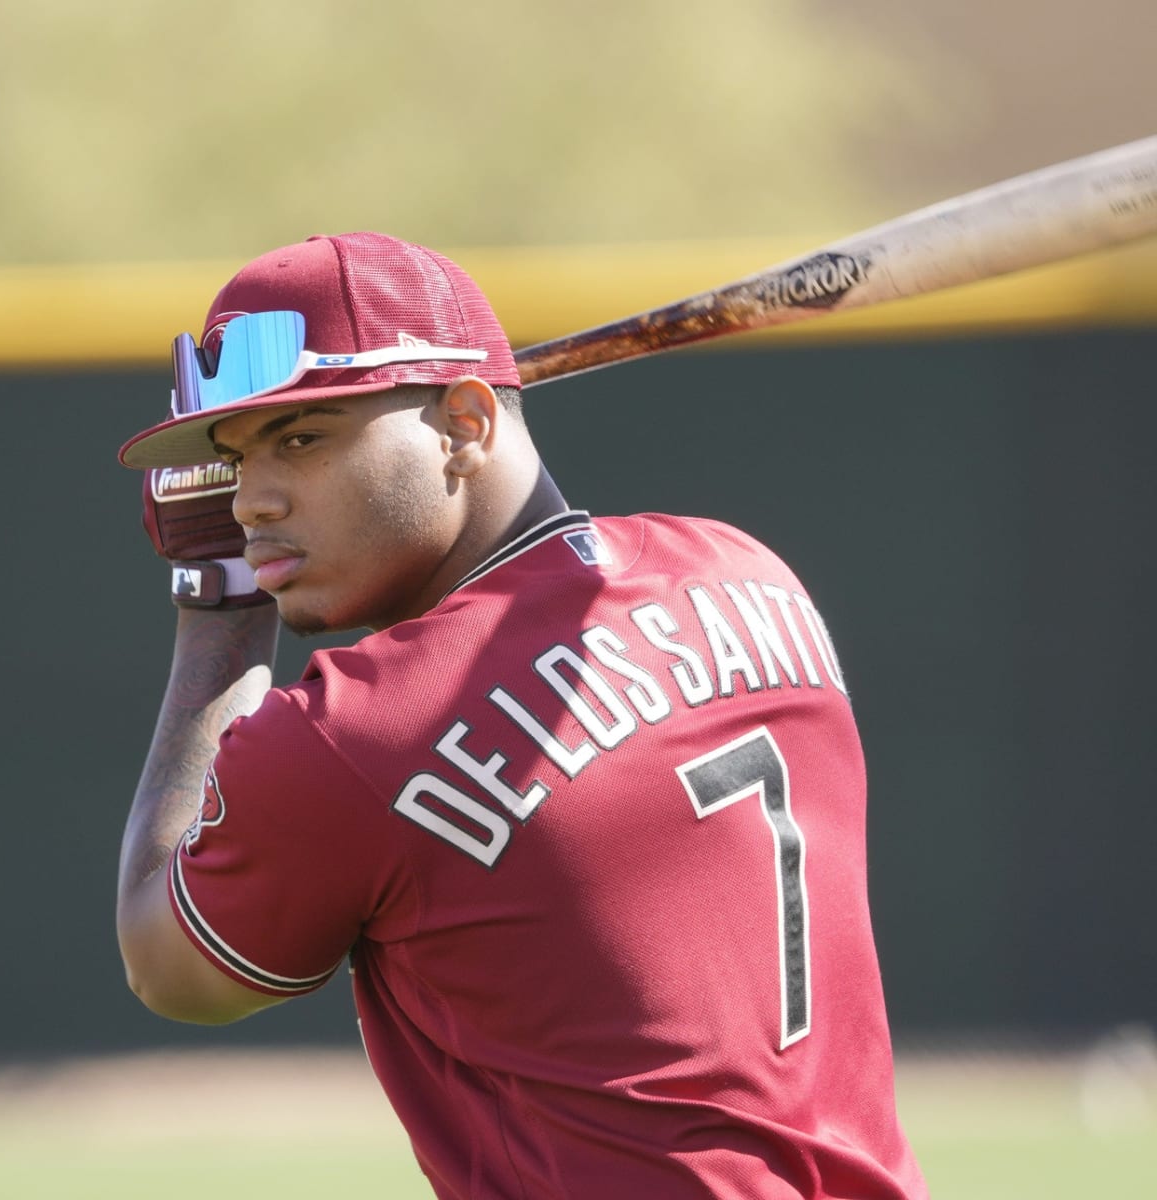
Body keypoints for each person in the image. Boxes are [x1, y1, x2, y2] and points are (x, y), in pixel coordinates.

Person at [116, 231, 928, 1199]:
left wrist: (221, 605)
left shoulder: (351, 735)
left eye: (303, 438)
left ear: (465, 422)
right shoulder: (751, 572)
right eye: (235, 453)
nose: (252, 500)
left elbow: (172, 968)